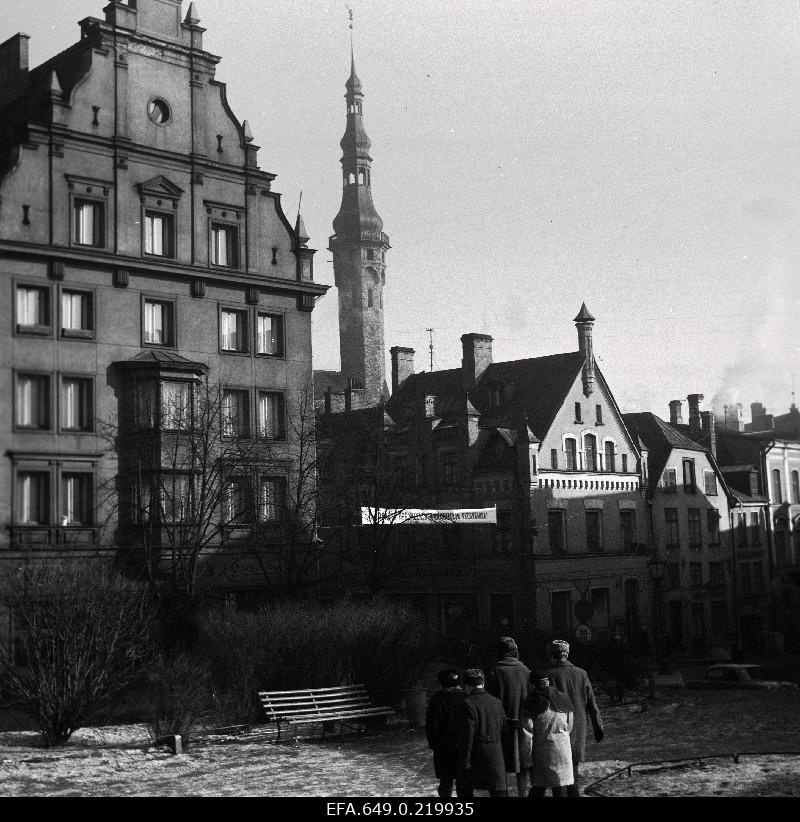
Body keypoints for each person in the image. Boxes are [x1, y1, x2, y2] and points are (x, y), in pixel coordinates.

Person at [545, 639, 604, 797]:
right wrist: (598, 726)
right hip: (578, 729)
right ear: (567, 654)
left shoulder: (548, 675)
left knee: (559, 776)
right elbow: (591, 703)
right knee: (573, 773)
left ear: (551, 655)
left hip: (557, 730)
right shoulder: (581, 673)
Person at [485, 636, 533, 797]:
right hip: (524, 726)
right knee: (523, 767)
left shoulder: (494, 671)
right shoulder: (526, 671)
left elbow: (489, 701)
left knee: (501, 766)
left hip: (501, 727)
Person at [521, 669, 575, 797]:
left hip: (543, 751)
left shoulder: (531, 702)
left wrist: (527, 760)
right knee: (560, 787)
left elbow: (527, 734)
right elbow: (570, 726)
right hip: (563, 750)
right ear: (548, 681)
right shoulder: (563, 698)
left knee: (539, 787)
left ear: (532, 684)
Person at [456, 668, 508, 798]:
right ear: (483, 683)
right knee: (498, 792)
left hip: (476, 757)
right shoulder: (496, 702)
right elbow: (504, 729)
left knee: (464, 789)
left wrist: (464, 762)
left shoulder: (467, 703)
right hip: (496, 755)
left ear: (467, 686)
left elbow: (467, 735)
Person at [425, 669, 465, 798]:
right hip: (464, 745)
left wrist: (433, 745)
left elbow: (432, 726)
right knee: (464, 782)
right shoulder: (467, 697)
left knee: (446, 782)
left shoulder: (436, 700)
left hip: (443, 747)